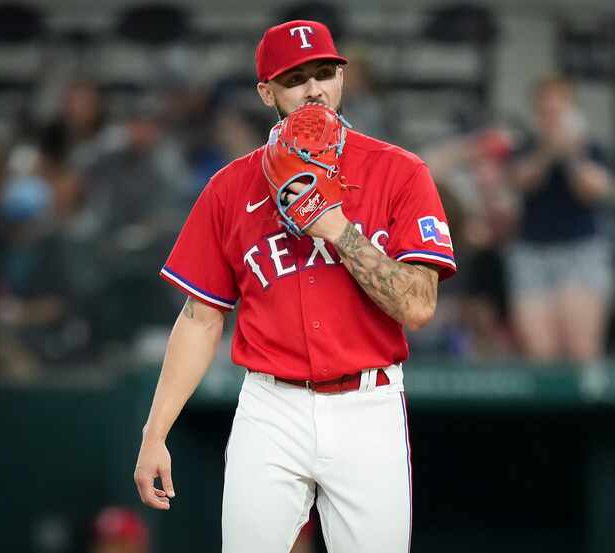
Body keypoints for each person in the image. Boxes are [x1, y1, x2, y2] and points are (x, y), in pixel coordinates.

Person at [133, 19, 456, 553]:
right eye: (295, 79)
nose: (314, 90)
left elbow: (419, 307)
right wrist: (155, 432)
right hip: (271, 405)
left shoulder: (398, 172)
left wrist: (334, 227)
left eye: (325, 73)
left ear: (341, 78)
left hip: (368, 404)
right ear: (267, 93)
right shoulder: (231, 187)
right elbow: (199, 317)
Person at [505, 75, 614, 363]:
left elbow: (593, 189)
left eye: (558, 111)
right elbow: (521, 180)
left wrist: (571, 153)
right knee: (540, 352)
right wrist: (549, 150)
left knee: (582, 350)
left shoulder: (590, 148)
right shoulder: (526, 147)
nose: (551, 119)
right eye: (545, 112)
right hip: (533, 251)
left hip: (580, 250)